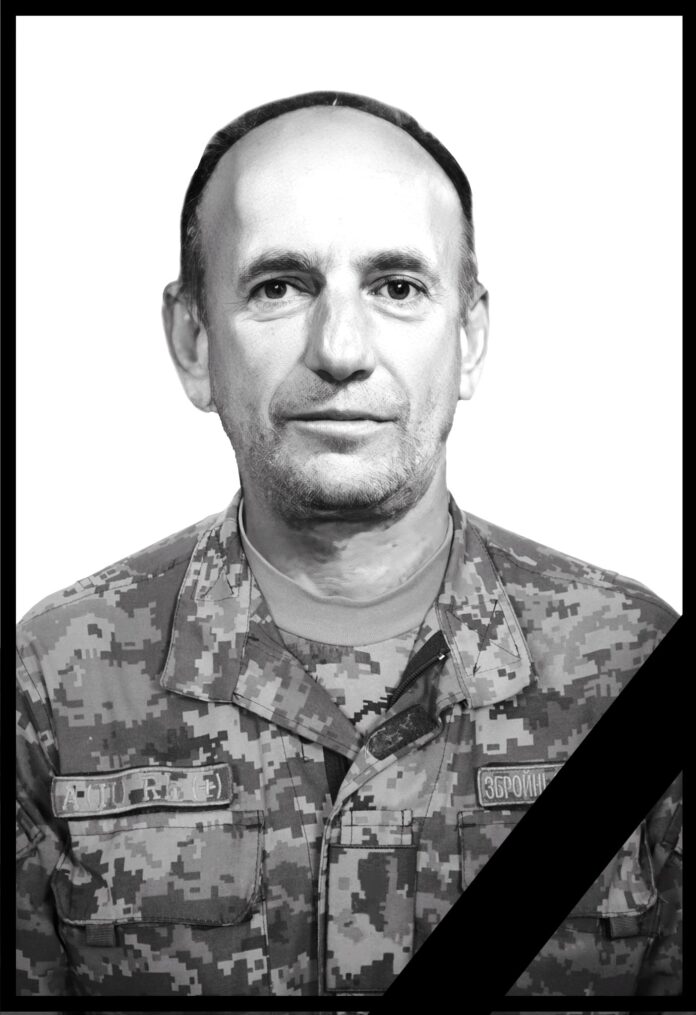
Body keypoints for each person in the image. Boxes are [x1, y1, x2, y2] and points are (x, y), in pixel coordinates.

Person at [16, 90, 681, 998]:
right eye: (279, 287)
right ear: (193, 341)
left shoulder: (636, 662)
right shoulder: (52, 684)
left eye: (397, 287)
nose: (339, 349)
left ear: (470, 337)